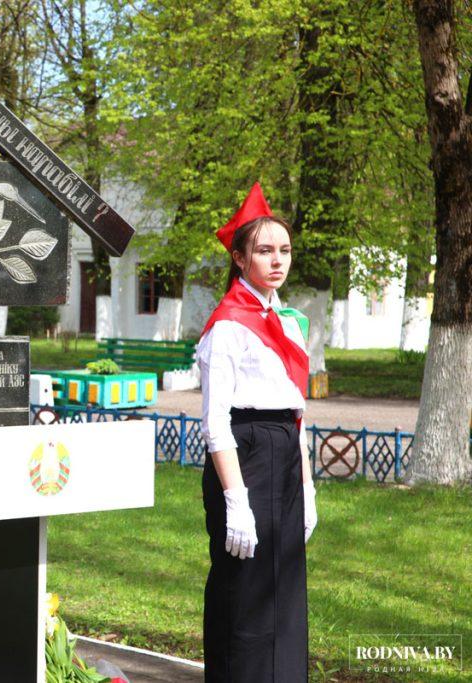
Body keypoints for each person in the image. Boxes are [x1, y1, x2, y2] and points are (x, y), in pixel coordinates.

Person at [197, 182, 318, 681]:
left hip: (285, 456)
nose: (277, 260)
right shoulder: (227, 325)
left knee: (285, 592)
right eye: (265, 250)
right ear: (240, 258)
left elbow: (296, 410)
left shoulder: (288, 322)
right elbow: (214, 420)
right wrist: (236, 500)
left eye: (284, 250)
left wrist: (307, 486)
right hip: (244, 457)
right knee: (244, 591)